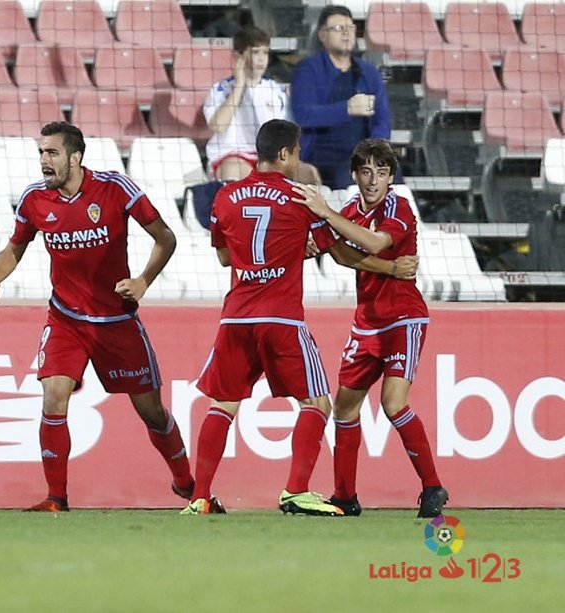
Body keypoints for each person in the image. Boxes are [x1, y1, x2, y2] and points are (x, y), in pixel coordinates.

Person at [181, 119, 408, 517]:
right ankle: (295, 491)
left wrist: (269, 256)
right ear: (285, 154)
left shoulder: (225, 197)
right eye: (298, 152)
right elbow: (338, 252)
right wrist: (390, 270)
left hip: (235, 318)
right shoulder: (302, 197)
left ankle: (199, 497)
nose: (299, 159)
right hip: (281, 319)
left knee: (223, 404)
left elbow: (223, 256)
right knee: (317, 402)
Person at [0, 121, 195, 512]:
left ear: (75, 157)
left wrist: (143, 280)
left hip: (116, 321)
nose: (44, 161)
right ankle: (56, 498)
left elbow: (166, 236)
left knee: (152, 412)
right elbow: (15, 247)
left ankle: (185, 480)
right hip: (66, 320)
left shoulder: (115, 189)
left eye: (52, 153)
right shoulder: (33, 200)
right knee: (53, 394)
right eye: (41, 153)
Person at [293, 139, 448, 518]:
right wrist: (321, 241)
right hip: (367, 322)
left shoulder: (399, 207)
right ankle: (345, 496)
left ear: (390, 177)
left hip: (403, 318)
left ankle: (432, 487)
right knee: (345, 408)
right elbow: (342, 252)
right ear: (355, 174)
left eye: (381, 172)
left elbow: (376, 243)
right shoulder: (349, 210)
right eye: (366, 172)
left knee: (393, 404)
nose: (373, 180)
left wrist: (327, 216)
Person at [290, 5, 391, 190]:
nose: (346, 33)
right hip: (323, 154)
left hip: (364, 153)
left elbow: (382, 121)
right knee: (350, 177)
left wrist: (375, 152)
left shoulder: (369, 73)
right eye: (338, 28)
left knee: (394, 178)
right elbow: (303, 114)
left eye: (350, 28)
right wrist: (347, 109)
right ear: (322, 35)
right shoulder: (308, 69)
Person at [203, 26, 319, 185]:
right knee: (236, 173)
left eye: (265, 53)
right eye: (255, 52)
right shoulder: (221, 89)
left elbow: (287, 130)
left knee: (309, 174)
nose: (261, 59)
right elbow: (218, 126)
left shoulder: (275, 90)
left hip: (271, 158)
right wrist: (239, 86)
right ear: (238, 56)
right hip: (234, 155)